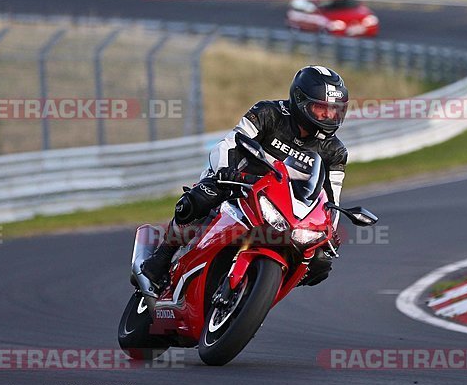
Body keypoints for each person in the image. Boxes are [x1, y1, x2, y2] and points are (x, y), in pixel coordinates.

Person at [141, 65, 349, 291]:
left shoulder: (335, 151)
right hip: (237, 182)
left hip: (285, 205)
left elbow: (331, 199)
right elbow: (230, 143)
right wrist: (225, 171)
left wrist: (328, 230)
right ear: (300, 101)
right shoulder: (268, 112)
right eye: (321, 109)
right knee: (198, 200)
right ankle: (162, 257)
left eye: (334, 110)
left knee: (320, 263)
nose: (329, 116)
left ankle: (261, 291)